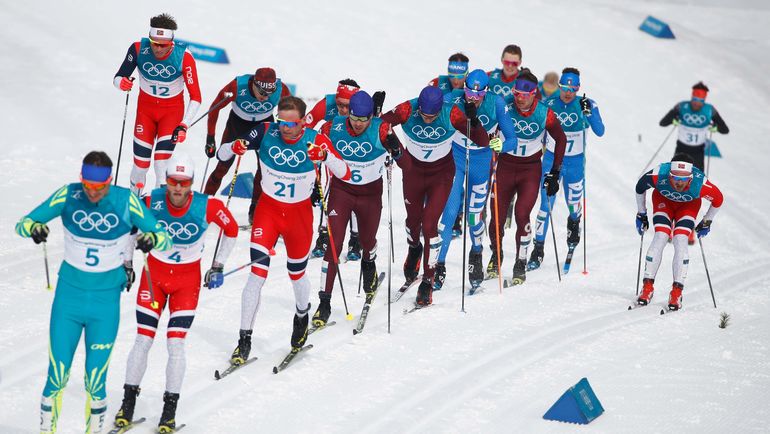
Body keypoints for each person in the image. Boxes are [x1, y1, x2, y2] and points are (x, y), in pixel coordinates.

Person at [15, 151, 171, 434]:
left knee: (95, 382)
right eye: (87, 185)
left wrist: (152, 238)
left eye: (99, 187)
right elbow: (23, 223)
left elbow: (163, 236)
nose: (92, 192)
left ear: (109, 181)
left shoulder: (126, 200)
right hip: (68, 300)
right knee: (56, 378)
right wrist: (34, 228)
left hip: (104, 304)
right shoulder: (68, 195)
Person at [220, 96, 350, 365]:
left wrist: (325, 157)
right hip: (267, 213)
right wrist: (235, 146)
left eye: (291, 123)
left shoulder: (316, 139)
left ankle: (302, 314)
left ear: (303, 121)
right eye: (281, 121)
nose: (285, 127)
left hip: (298, 216)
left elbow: (345, 172)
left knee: (296, 274)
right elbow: (222, 153)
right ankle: (244, 340)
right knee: (256, 275)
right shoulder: (266, 131)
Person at [114, 152, 238, 433]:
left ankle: (168, 411)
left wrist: (217, 265)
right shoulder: (151, 201)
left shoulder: (207, 205)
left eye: (184, 182)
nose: (178, 188)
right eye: (173, 181)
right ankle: (128, 404)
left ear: (192, 183)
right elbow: (129, 226)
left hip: (187, 281)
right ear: (166, 181)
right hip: (153, 277)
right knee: (143, 339)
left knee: (175, 344)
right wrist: (126, 263)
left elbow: (231, 229)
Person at [381, 85, 491, 303]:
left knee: (430, 225)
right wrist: (394, 145)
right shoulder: (407, 109)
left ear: (440, 109)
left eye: (433, 116)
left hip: (440, 174)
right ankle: (414, 249)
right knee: (413, 222)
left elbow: (483, 141)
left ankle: (428, 281)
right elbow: (381, 125)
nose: (428, 119)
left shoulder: (452, 113)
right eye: (424, 115)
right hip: (413, 171)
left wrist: (474, 121)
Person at [312, 91, 404, 324]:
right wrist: (315, 183)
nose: (359, 124)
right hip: (342, 192)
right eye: (355, 118)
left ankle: (369, 261)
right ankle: (324, 301)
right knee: (334, 245)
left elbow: (405, 163)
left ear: (371, 117)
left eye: (364, 120)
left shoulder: (381, 128)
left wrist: (396, 149)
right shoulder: (331, 127)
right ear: (347, 113)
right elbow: (314, 152)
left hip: (370, 194)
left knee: (367, 240)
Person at [433, 69, 518, 297]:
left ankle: (476, 254)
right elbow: (432, 114)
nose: (473, 97)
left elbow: (512, 139)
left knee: (473, 215)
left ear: (486, 92)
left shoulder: (496, 103)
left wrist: (500, 146)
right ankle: (437, 266)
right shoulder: (454, 98)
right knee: (449, 213)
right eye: (470, 91)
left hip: (481, 161)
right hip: (456, 157)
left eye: (478, 94)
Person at [487, 69, 567, 284]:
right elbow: (487, 124)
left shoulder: (544, 112)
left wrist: (555, 172)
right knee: (497, 216)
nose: (519, 98)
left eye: (524, 94)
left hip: (530, 169)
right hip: (505, 166)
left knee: (522, 214)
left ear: (534, 93)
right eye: (516, 93)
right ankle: (496, 255)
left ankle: (520, 261)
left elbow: (561, 139)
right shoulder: (504, 106)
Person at [113, 13, 201, 193]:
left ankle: (156, 210)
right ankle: (133, 205)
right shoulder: (138, 49)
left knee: (161, 164)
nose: (158, 49)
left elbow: (196, 97)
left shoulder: (184, 56)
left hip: (172, 114)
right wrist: (122, 83)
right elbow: (118, 76)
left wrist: (184, 125)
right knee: (140, 166)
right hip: (146, 113)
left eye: (164, 45)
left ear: (172, 43)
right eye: (154, 43)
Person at [528, 68, 605, 270]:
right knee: (545, 206)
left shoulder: (586, 104)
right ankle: (538, 248)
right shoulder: (549, 104)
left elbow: (600, 131)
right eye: (564, 88)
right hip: (552, 162)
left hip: (575, 164)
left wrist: (590, 114)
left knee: (573, 203)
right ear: (560, 86)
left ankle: (574, 222)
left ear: (578, 88)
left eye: (573, 88)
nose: (568, 93)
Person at [202, 67, 292, 222]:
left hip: (264, 125)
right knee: (222, 167)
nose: (265, 97)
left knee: (264, 169)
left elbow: (290, 114)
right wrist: (211, 137)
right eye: (262, 93)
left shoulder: (281, 89)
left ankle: (255, 209)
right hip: (237, 125)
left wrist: (285, 135)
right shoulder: (237, 86)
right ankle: (203, 206)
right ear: (254, 85)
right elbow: (215, 107)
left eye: (270, 94)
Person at [634, 154, 723, 310]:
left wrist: (707, 221)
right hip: (664, 201)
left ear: (690, 177)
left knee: (680, 239)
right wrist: (641, 213)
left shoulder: (700, 184)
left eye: (683, 179)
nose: (679, 183)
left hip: (688, 206)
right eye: (675, 178)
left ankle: (676, 292)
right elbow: (639, 187)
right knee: (661, 236)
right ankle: (647, 288)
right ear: (669, 174)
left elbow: (718, 199)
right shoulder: (658, 174)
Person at [304, 79, 363, 261]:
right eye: (339, 104)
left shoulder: (362, 103)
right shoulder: (325, 105)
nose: (342, 110)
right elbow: (305, 128)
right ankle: (323, 237)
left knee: (355, 194)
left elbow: (377, 130)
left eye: (347, 106)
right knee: (326, 192)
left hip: (354, 152)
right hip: (330, 152)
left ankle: (355, 239)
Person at [659, 82, 729, 171]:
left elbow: (725, 130)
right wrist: (672, 120)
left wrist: (716, 127)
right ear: (691, 98)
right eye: (695, 99)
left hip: (698, 151)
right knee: (675, 174)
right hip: (681, 149)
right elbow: (663, 123)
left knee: (698, 179)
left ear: (704, 100)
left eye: (700, 101)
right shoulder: (682, 106)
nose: (696, 103)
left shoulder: (710, 110)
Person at [487, 44, 523, 109]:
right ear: (502, 60)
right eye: (507, 62)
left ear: (520, 62)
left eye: (514, 63)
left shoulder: (526, 82)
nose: (510, 66)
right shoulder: (489, 76)